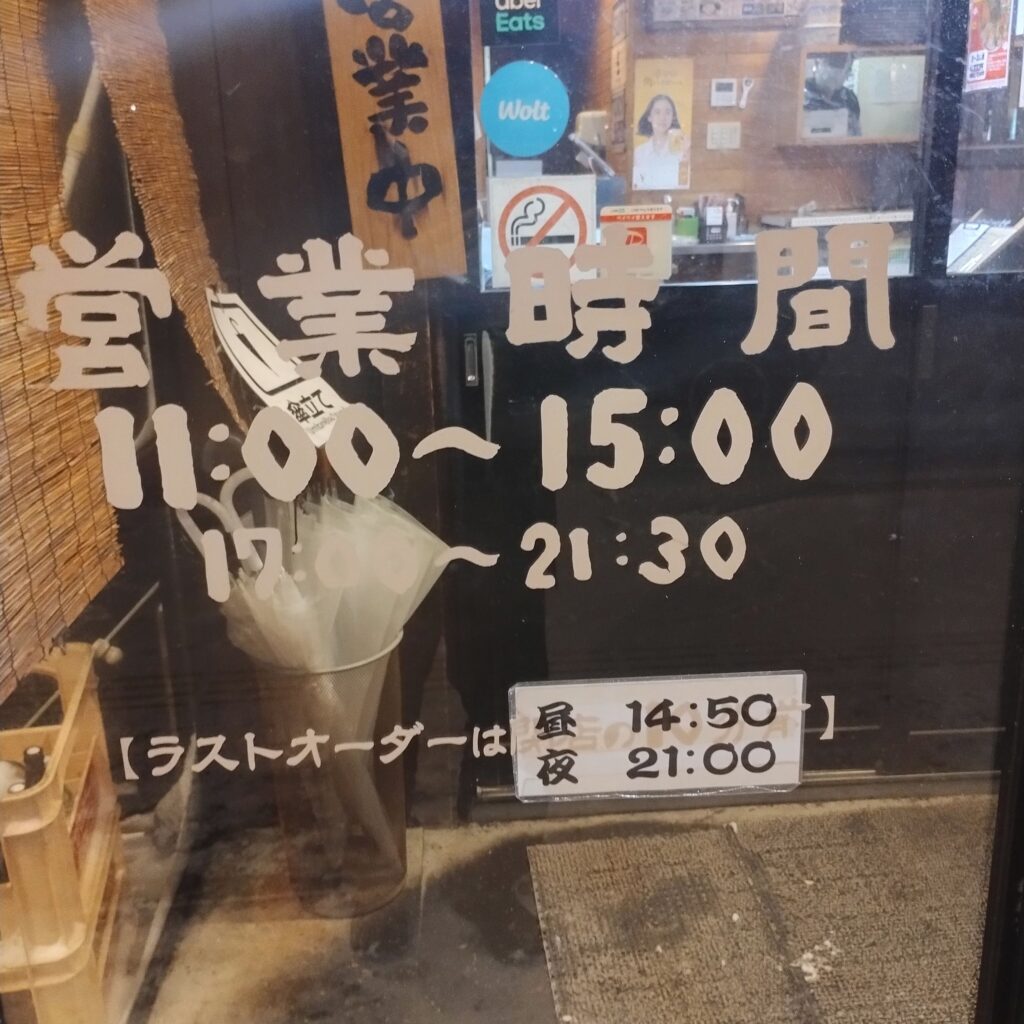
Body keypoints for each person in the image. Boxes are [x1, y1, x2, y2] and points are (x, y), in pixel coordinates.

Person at [632, 93, 689, 190]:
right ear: (649, 117)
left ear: (673, 117)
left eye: (668, 112)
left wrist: (686, 154)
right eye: (657, 112)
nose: (663, 117)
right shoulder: (639, 153)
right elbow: (637, 186)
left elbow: (684, 184)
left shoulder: (682, 150)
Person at [804, 53, 861, 137]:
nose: (837, 72)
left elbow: (857, 135)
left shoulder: (850, 98)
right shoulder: (799, 95)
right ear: (817, 63)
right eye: (834, 63)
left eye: (847, 69)